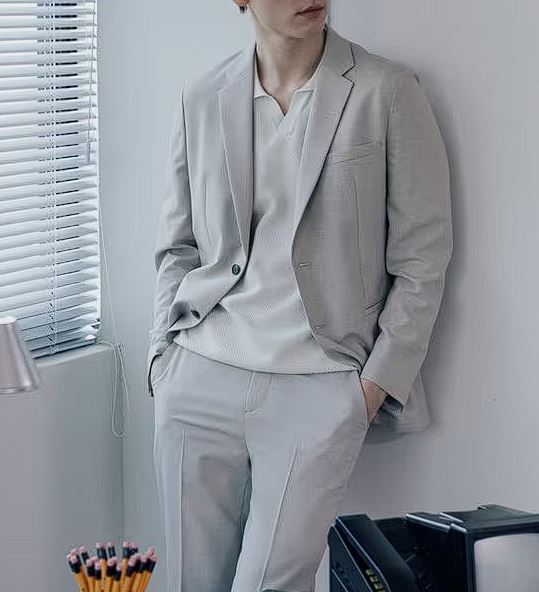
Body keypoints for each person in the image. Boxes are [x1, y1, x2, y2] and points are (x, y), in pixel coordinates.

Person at [147, 1, 453, 590]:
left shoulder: (386, 91)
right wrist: (165, 358)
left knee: (271, 583)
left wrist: (371, 387)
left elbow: (423, 257)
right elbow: (177, 245)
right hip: (199, 377)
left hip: (319, 384)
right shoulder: (203, 96)